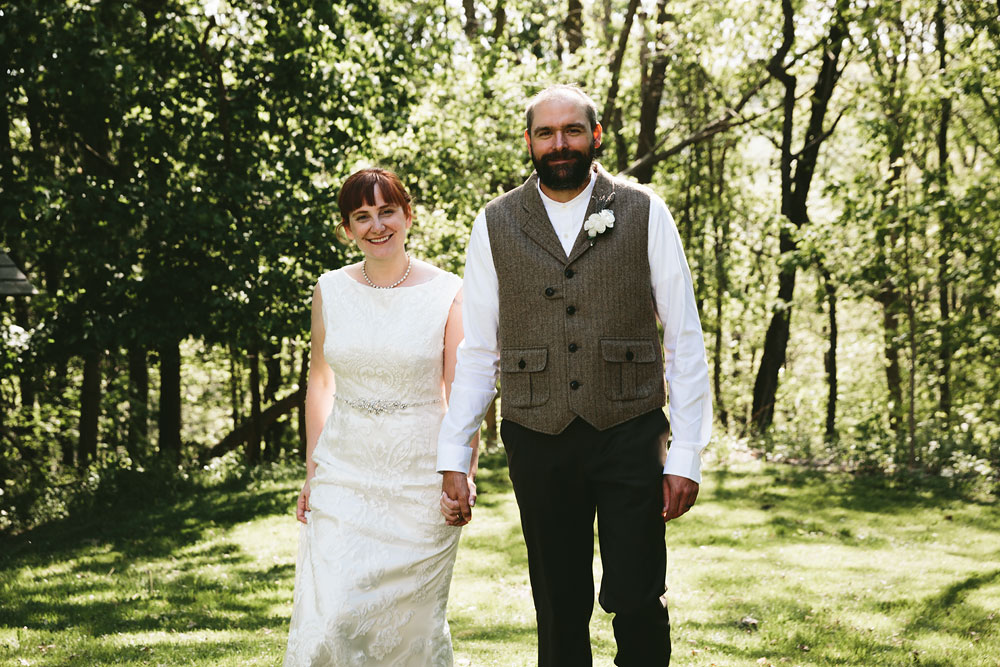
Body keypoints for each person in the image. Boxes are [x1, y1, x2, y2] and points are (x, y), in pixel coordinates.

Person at [437, 85, 712, 666]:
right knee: (558, 603)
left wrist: (686, 455)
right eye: (545, 133)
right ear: (530, 142)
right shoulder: (496, 222)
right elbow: (479, 351)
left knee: (638, 593)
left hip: (629, 429)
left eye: (572, 131)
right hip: (538, 435)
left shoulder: (643, 210)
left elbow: (684, 339)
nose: (559, 144)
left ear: (596, 137)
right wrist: (455, 453)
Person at [284, 167, 478, 666]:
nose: (377, 226)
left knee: (410, 629)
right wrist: (313, 473)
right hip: (344, 475)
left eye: (387, 211)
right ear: (346, 229)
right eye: (362, 216)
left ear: (408, 215)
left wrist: (464, 474)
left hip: (419, 480)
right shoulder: (329, 289)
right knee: (331, 622)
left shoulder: (449, 291)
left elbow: (461, 392)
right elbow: (321, 382)